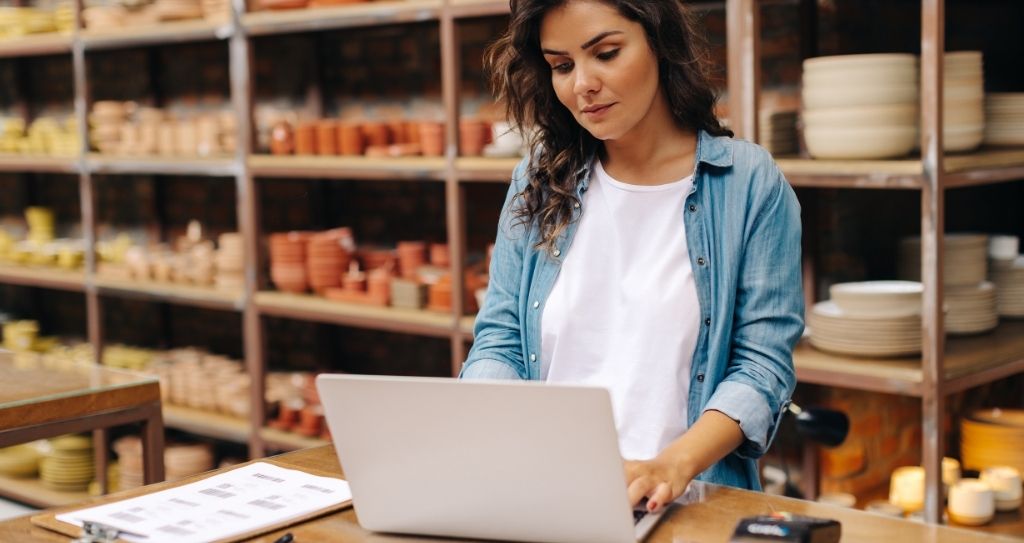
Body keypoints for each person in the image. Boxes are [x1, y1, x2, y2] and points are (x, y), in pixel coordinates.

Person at [461, 0, 803, 515]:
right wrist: (476, 429)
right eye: (562, 66)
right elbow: (501, 339)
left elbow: (760, 367)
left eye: (606, 53)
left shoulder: (748, 185)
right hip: (549, 497)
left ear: (660, 43)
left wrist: (670, 466)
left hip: (686, 501)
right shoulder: (538, 179)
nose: (583, 84)